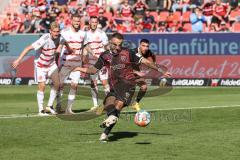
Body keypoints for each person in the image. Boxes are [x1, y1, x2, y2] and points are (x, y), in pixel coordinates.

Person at [74, 32, 170, 142]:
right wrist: (79, 68)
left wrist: (161, 70)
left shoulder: (128, 52)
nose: (118, 47)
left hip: (128, 84)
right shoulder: (105, 55)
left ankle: (105, 133)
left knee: (118, 107)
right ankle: (111, 119)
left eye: (120, 44)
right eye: (115, 44)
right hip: (114, 86)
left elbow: (146, 62)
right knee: (109, 107)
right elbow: (93, 70)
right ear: (110, 43)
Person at [12, 22, 64, 116]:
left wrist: (62, 48)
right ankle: (41, 110)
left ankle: (49, 106)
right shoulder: (44, 39)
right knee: (42, 86)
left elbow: (63, 43)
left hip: (51, 64)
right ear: (50, 31)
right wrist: (18, 60)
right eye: (54, 31)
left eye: (58, 31)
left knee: (57, 84)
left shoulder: (61, 38)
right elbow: (28, 48)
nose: (56, 33)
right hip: (40, 65)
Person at [56, 13, 86, 114]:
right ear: (71, 21)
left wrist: (84, 60)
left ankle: (69, 109)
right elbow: (59, 46)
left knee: (74, 86)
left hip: (77, 64)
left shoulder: (83, 33)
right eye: (75, 21)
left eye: (78, 21)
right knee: (60, 85)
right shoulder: (64, 32)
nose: (77, 23)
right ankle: (58, 105)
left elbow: (84, 48)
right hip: (65, 63)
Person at [83, 16, 110, 110]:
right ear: (89, 23)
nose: (94, 24)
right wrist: (85, 56)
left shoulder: (102, 33)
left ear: (97, 23)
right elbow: (85, 47)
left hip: (102, 61)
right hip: (91, 62)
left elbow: (107, 46)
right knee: (93, 83)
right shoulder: (86, 34)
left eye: (95, 22)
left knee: (104, 82)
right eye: (92, 22)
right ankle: (95, 104)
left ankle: (109, 103)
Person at [131, 39, 156, 111]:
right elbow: (125, 66)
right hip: (125, 72)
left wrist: (149, 68)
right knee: (125, 98)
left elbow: (152, 61)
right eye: (143, 46)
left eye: (147, 46)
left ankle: (136, 103)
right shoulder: (133, 52)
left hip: (135, 73)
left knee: (144, 87)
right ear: (139, 45)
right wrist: (136, 72)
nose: (145, 48)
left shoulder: (148, 52)